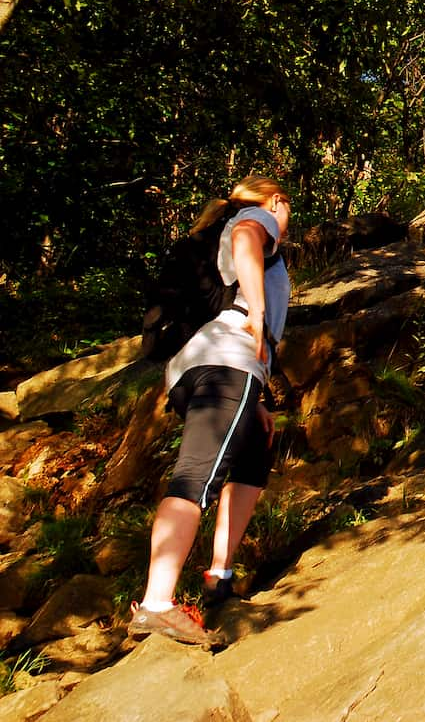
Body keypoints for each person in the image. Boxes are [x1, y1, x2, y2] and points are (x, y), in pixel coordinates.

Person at [128, 176, 293, 646]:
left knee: (253, 452)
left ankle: (219, 577)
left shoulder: (216, 230)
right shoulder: (255, 219)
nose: (286, 222)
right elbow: (246, 241)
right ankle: (158, 602)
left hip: (197, 366)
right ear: (275, 201)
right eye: (287, 210)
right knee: (197, 475)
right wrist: (258, 314)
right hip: (227, 360)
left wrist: (256, 397)